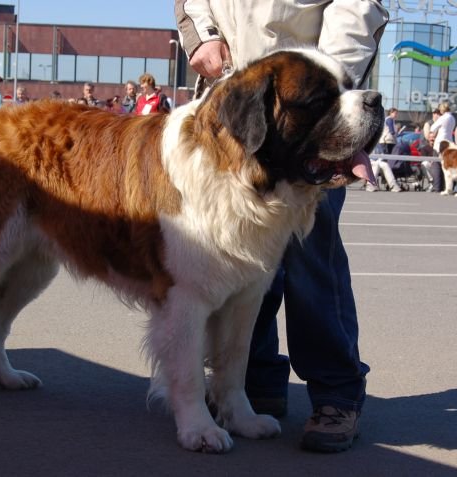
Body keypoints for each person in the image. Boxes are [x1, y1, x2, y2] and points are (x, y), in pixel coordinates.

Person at [176, 0, 388, 453]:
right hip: (234, 113)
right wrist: (202, 34)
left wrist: (327, 84)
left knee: (314, 266)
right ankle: (252, 384)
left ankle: (336, 395)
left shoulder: (319, 89)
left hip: (305, 104)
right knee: (241, 270)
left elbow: (358, 8)